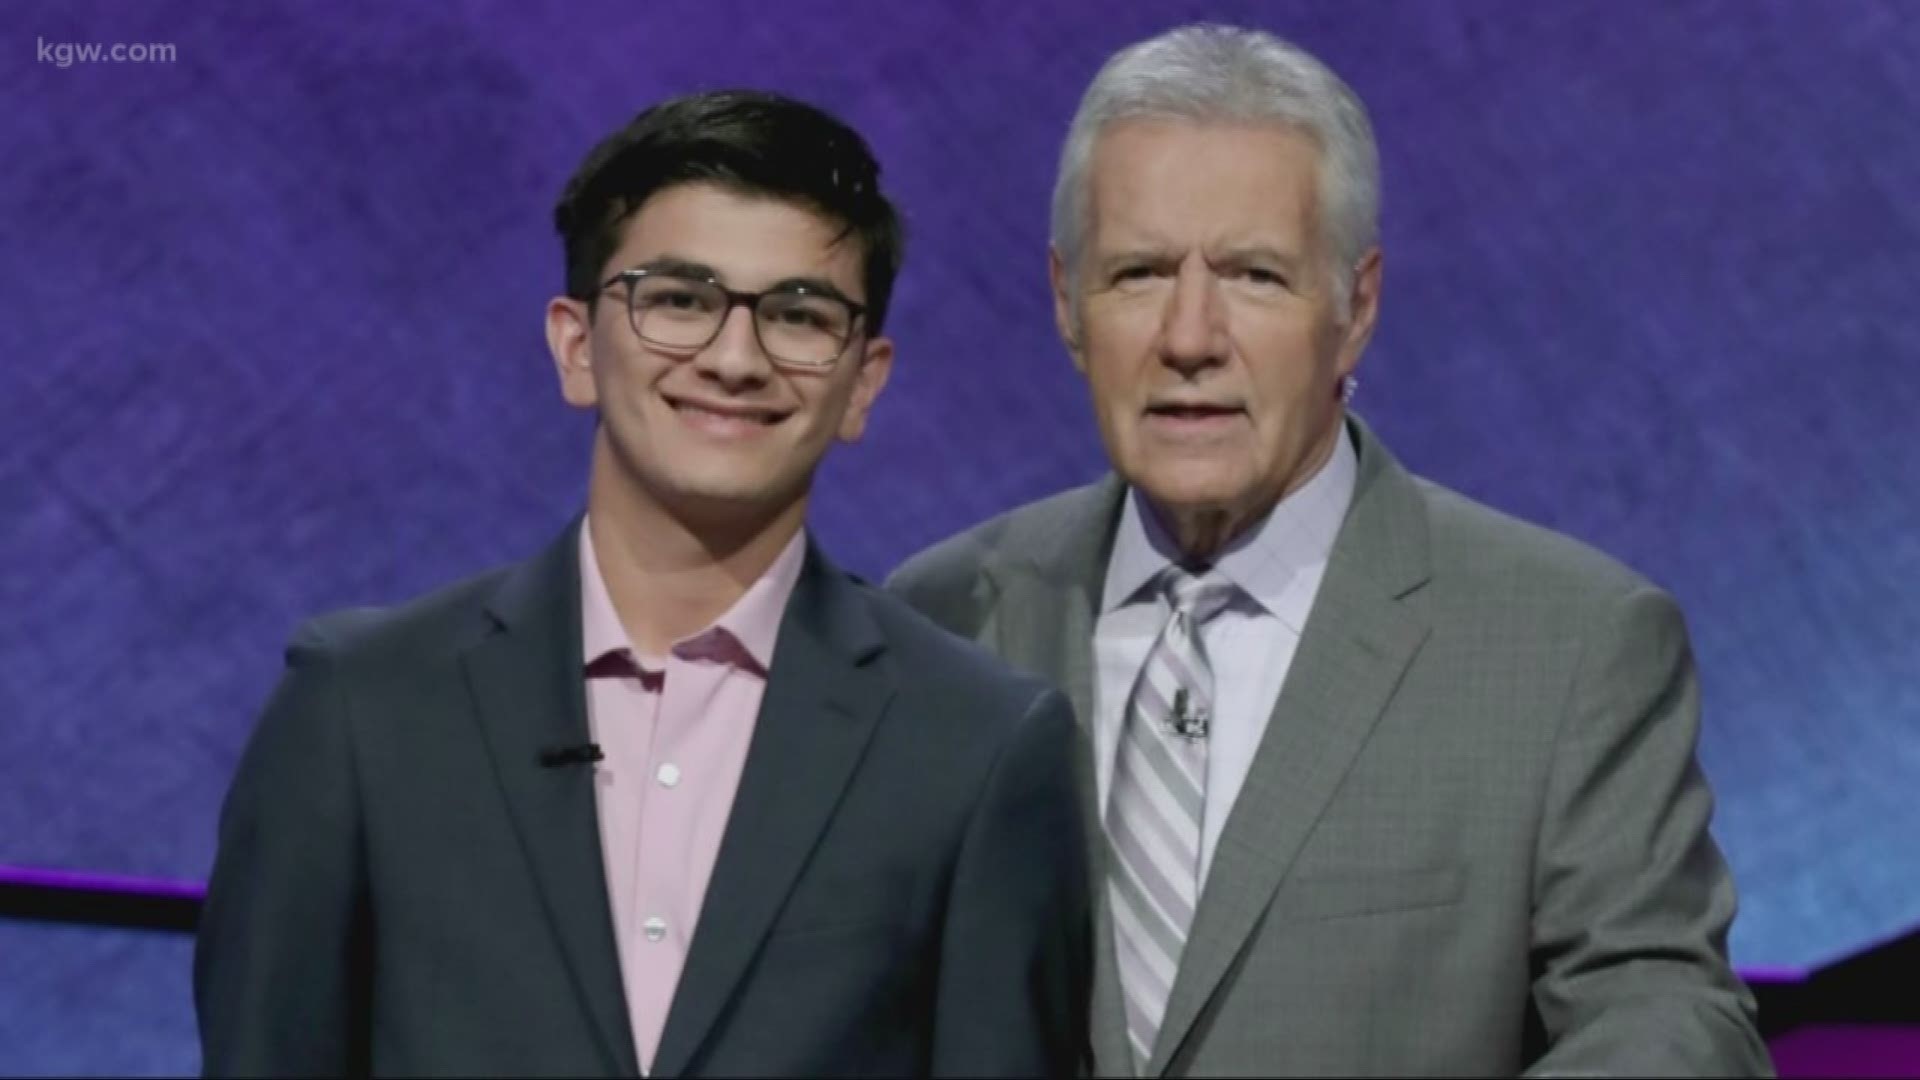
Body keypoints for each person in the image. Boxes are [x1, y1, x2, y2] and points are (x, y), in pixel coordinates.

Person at [889, 24, 1770, 1078]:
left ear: (1356, 308)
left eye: (1255, 276)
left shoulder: (1568, 642)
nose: (1190, 337)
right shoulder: (944, 618)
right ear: (1067, 302)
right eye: (1139, 272)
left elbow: (1667, 1015)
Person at [195, 89, 1090, 1077]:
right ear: (577, 344)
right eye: (680, 301)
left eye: (798, 314)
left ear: (862, 381)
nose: (736, 358)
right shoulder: (365, 706)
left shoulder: (974, 747)